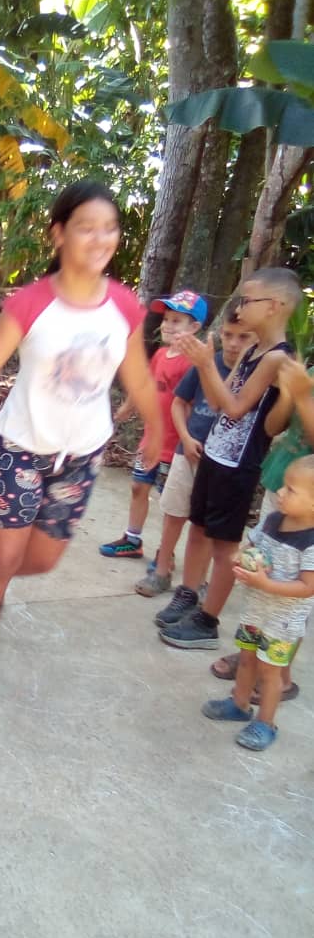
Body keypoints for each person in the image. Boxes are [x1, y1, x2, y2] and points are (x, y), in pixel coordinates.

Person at [0, 180, 162, 701]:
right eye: (86, 228)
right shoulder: (30, 303)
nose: (100, 239)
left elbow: (137, 379)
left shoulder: (124, 306)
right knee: (2, 559)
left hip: (83, 455)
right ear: (58, 234)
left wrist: (158, 432)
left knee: (44, 561)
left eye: (109, 229)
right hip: (22, 450)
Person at [156, 267, 300, 649]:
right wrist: (206, 362)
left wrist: (205, 363)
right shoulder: (253, 350)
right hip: (216, 453)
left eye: (247, 300)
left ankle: (208, 619)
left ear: (274, 306)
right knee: (199, 527)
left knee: (224, 545)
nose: (240, 307)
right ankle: (188, 593)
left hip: (239, 464)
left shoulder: (277, 358)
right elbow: (220, 400)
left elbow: (236, 408)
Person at [210, 355, 314, 696]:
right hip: (286, 485)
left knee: (296, 588)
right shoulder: (308, 372)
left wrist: (301, 395)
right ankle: (256, 657)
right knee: (269, 571)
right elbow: (273, 427)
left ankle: (277, 675)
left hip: (309, 501)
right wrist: (289, 394)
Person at [134, 308, 254, 595]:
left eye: (243, 337)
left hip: (221, 461)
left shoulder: (254, 375)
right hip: (187, 452)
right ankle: (161, 572)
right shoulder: (205, 363)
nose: (234, 343)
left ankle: (198, 582)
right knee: (173, 515)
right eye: (228, 335)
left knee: (206, 527)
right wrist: (186, 438)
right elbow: (179, 403)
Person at [201, 454, 314, 750]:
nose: (280, 492)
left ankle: (266, 723)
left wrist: (266, 583)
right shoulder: (273, 519)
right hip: (255, 610)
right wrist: (242, 555)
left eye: (291, 490)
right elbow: (253, 545)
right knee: (247, 658)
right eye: (284, 486)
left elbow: (307, 588)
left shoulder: (312, 542)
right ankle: (239, 704)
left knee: (270, 672)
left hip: (284, 622)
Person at [99, 289, 202, 560]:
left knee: (171, 504)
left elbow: (192, 404)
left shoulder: (193, 363)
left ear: (195, 327)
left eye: (176, 321)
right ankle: (132, 539)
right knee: (138, 487)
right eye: (167, 319)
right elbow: (145, 384)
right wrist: (128, 407)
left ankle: (165, 552)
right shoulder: (160, 355)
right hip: (151, 440)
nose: (168, 325)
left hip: (176, 445)